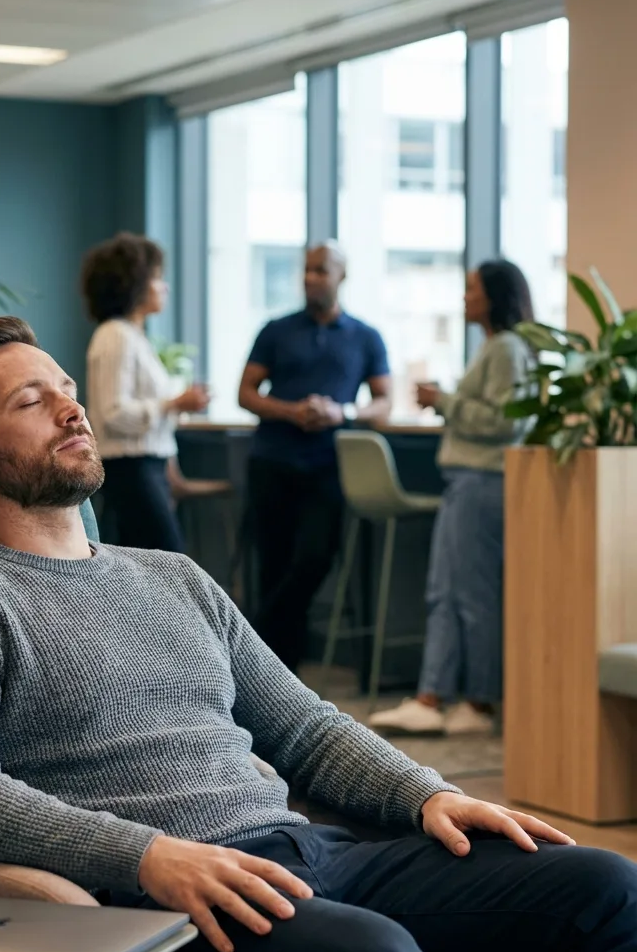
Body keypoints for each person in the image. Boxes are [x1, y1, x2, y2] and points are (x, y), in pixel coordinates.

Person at [0, 315, 637, 952]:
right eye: (32, 401)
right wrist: (145, 854)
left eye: (68, 389)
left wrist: (430, 795)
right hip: (163, 905)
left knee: (610, 895)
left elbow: (306, 728)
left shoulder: (175, 577)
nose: (72, 411)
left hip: (308, 855)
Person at [370, 260, 534, 737]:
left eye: (472, 289)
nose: (465, 298)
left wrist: (444, 401)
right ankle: (433, 695)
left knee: (471, 597)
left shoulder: (505, 348)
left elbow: (508, 421)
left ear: (494, 296)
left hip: (483, 483)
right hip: (469, 482)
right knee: (446, 592)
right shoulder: (496, 348)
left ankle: (476, 702)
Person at [238, 242, 392, 673]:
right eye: (307, 271)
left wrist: (338, 412)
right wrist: (292, 410)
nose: (311, 279)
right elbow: (246, 393)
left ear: (342, 276)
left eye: (321, 271)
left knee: (313, 558)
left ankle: (250, 649)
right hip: (272, 462)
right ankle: (278, 678)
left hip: (328, 467)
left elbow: (383, 404)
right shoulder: (275, 330)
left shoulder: (365, 337)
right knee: (272, 567)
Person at [81, 232, 209, 551]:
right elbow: (113, 414)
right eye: (157, 278)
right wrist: (174, 403)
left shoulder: (134, 337)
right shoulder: (116, 336)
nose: (164, 287)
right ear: (134, 284)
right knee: (168, 557)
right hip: (131, 469)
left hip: (145, 466)